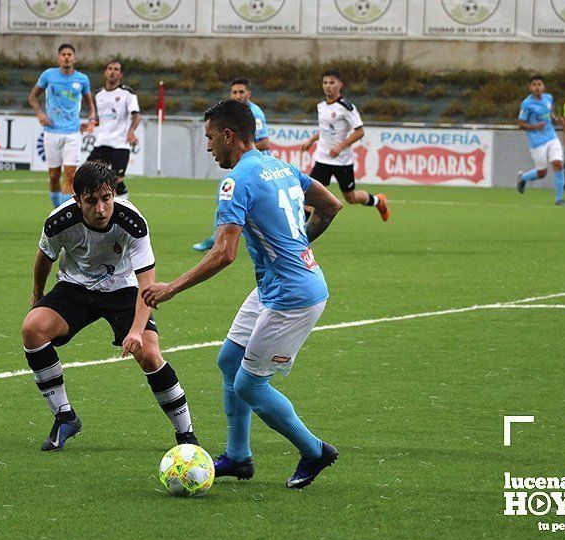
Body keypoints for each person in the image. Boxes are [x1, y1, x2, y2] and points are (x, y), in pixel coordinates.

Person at [143, 100, 344, 489]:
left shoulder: (236, 181)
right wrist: (299, 247)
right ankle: (239, 456)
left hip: (292, 297)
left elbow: (224, 253)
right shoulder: (279, 166)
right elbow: (331, 206)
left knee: (250, 385)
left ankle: (316, 451)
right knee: (229, 360)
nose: (208, 147)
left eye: (211, 137)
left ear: (228, 136)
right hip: (278, 285)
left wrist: (171, 288)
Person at [22, 161, 198, 452]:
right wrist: (37, 294)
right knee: (32, 329)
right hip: (75, 287)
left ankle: (186, 435)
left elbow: (147, 285)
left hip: (124, 289)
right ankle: (65, 416)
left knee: (150, 354)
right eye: (91, 201)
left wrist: (137, 331)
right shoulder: (59, 221)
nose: (101, 208)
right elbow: (45, 256)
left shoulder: (132, 222)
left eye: (107, 198)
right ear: (77, 200)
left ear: (114, 193)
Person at [193, 78, 271, 251]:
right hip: (245, 163)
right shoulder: (228, 115)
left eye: (241, 92)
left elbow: (265, 142)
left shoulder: (255, 113)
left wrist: (242, 148)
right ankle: (217, 238)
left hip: (257, 166)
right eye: (234, 92)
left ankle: (220, 241)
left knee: (234, 199)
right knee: (228, 201)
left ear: (248, 94)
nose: (237, 95)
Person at [301, 71, 388, 221]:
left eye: (332, 82)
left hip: (342, 161)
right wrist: (311, 140)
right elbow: (325, 129)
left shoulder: (346, 107)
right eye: (325, 83)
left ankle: (378, 201)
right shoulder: (321, 106)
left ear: (340, 85)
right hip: (322, 159)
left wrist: (340, 147)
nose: (328, 86)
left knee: (351, 197)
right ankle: (298, 237)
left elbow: (360, 132)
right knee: (309, 196)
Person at [28, 44, 96, 208]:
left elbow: (90, 104)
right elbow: (32, 97)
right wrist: (40, 114)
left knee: (71, 175)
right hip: (51, 132)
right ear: (58, 58)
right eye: (63, 54)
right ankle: (56, 210)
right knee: (53, 176)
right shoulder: (49, 75)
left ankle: (66, 213)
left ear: (74, 58)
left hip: (72, 132)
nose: (66, 57)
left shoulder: (82, 79)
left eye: (69, 54)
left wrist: (92, 120)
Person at [87, 60, 140, 200]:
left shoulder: (127, 93)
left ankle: (125, 208)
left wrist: (131, 131)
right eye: (110, 68)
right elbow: (103, 118)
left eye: (116, 69)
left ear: (120, 74)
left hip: (120, 143)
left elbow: (136, 117)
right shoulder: (99, 94)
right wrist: (92, 123)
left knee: (116, 180)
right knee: (87, 173)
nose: (112, 71)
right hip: (102, 142)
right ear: (105, 72)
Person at [516, 76, 565, 205]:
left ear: (543, 86)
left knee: (558, 164)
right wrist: (535, 126)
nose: (537, 87)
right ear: (530, 87)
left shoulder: (548, 97)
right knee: (542, 173)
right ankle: (523, 178)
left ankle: (559, 199)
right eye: (534, 84)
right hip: (537, 141)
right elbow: (521, 123)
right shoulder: (527, 104)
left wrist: (556, 119)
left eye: (539, 84)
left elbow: (548, 112)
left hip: (551, 137)